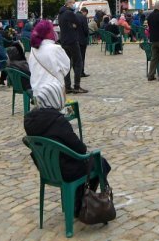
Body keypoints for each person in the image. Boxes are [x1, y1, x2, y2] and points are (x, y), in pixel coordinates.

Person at [23, 80, 112, 218]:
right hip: (66, 169)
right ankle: (83, 203)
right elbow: (80, 149)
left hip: (47, 169)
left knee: (94, 162)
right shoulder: (58, 121)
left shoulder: (29, 120)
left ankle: (77, 201)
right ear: (55, 98)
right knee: (100, 162)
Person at [28, 19, 71, 96]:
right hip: (54, 91)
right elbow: (66, 67)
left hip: (37, 91)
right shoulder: (56, 48)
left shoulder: (33, 50)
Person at [57, 0, 87, 94]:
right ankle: (77, 86)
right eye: (73, 3)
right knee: (78, 62)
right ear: (69, 3)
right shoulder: (69, 13)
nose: (74, 5)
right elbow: (78, 23)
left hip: (64, 41)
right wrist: (73, 25)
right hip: (72, 40)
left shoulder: (60, 13)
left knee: (67, 64)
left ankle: (67, 86)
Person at [76, 7, 92, 81]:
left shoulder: (74, 16)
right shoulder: (83, 17)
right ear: (84, 12)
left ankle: (77, 72)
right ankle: (81, 72)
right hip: (82, 40)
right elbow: (86, 30)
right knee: (82, 57)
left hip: (75, 40)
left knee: (76, 58)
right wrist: (87, 36)